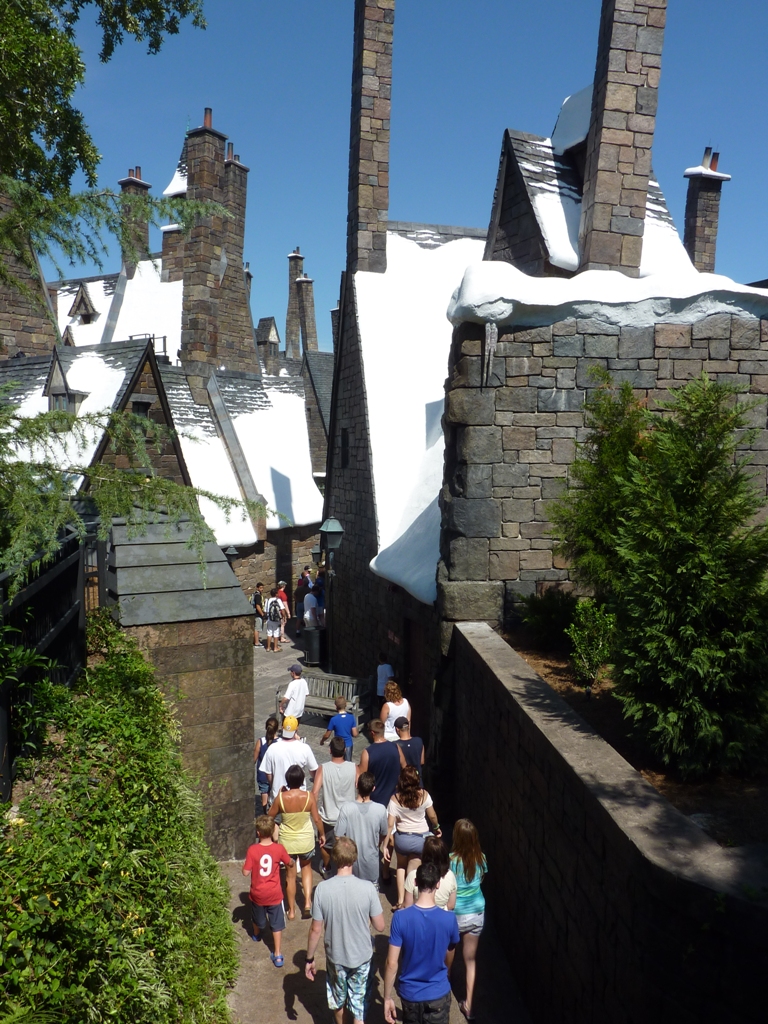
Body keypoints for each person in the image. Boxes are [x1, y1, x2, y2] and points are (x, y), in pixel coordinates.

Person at [305, 835, 386, 1024]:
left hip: (336, 957)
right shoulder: (367, 888)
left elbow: (315, 929)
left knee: (338, 1001)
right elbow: (380, 926)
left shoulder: (322, 889)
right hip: (362, 957)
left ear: (334, 858)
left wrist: (309, 958)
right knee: (359, 1007)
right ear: (354, 858)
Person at [383, 862, 460, 1024]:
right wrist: (446, 973)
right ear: (438, 884)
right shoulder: (449, 919)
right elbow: (450, 951)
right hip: (438, 993)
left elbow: (391, 963)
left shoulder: (400, 918)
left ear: (415, 882)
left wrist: (387, 997)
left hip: (410, 994)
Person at [268, 763, 325, 920]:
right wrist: (322, 834)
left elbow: (270, 816)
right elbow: (317, 819)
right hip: (306, 840)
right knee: (306, 868)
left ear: (287, 780)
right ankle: (307, 903)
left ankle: (291, 911)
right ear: (301, 780)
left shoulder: (281, 798)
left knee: (290, 876)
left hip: (287, 843)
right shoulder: (309, 797)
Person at [384, 765, 441, 910]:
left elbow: (390, 825)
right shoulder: (424, 795)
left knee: (400, 866)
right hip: (420, 839)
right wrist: (436, 828)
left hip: (402, 839)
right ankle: (411, 901)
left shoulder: (395, 799)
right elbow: (432, 816)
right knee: (414, 870)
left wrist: (385, 845)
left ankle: (400, 900)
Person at [242, 815, 293, 967]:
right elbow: (289, 862)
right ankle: (277, 954)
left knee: (257, 917)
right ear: (272, 831)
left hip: (257, 893)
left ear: (258, 833)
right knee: (276, 923)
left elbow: (245, 872)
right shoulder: (279, 849)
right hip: (274, 893)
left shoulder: (253, 850)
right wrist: (291, 863)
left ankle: (257, 934)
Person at [450, 819, 488, 1021]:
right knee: (470, 960)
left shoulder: (450, 860)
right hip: (476, 912)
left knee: (448, 950)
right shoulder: (480, 858)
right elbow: (481, 879)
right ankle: (469, 1005)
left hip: (455, 913)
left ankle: (444, 985)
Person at [335, 772, 388, 888]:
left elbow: (338, 836)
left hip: (351, 863)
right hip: (371, 864)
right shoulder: (381, 810)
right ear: (373, 788)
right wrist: (379, 843)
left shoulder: (346, 808)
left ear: (357, 785)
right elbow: (384, 833)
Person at [313, 736, 357, 876]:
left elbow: (315, 793)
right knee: (347, 845)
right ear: (345, 750)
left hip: (329, 817)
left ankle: (327, 868)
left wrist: (314, 813)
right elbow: (361, 787)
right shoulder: (353, 768)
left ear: (330, 750)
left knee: (326, 845)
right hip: (348, 817)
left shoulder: (323, 769)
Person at [261, 715, 318, 803]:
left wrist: (274, 784)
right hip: (299, 798)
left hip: (278, 797)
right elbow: (314, 771)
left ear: (282, 727)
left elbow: (268, 773)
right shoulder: (305, 748)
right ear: (297, 729)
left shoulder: (272, 748)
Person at [403, 836, 456, 911]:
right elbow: (451, 905)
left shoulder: (413, 875)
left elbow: (408, 906)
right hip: (440, 916)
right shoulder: (450, 876)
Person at [358, 719, 401, 809]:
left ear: (372, 733)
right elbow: (405, 766)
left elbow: (362, 779)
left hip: (376, 800)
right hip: (395, 798)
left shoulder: (367, 753)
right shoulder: (396, 747)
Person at [254, 715, 279, 813]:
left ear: (266, 727)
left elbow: (254, 759)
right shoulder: (280, 742)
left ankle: (265, 813)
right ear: (277, 728)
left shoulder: (260, 741)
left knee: (264, 797)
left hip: (262, 775)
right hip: (275, 775)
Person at [321, 695, 358, 761]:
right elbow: (355, 734)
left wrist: (322, 741)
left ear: (336, 706)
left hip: (338, 745)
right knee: (348, 763)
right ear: (346, 705)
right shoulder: (351, 717)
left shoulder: (334, 719)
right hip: (348, 744)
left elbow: (327, 735)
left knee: (337, 762)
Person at [395, 717, 425, 782]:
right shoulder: (419, 741)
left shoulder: (395, 745)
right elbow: (422, 761)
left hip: (404, 782)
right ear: (408, 727)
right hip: (417, 780)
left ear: (397, 729)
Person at [264, 587, 286, 653]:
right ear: (276, 594)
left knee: (269, 633)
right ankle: (275, 648)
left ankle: (268, 648)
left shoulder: (268, 600)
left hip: (269, 619)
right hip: (276, 620)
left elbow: (265, 611)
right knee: (276, 633)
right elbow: (282, 610)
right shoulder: (278, 600)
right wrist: (284, 617)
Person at [251, 582, 266, 649]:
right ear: (257, 588)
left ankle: (255, 641)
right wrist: (262, 614)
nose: (262, 589)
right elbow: (257, 606)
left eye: (262, 588)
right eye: (260, 588)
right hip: (257, 614)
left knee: (256, 628)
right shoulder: (258, 596)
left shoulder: (254, 594)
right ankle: (257, 643)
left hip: (254, 613)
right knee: (257, 629)